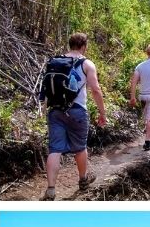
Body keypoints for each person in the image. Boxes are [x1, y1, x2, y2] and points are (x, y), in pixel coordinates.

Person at [39, 32, 107, 200]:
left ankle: (51, 189)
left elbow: (46, 89)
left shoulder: (54, 62)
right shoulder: (87, 64)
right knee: (80, 147)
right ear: (84, 46)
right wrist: (102, 113)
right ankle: (83, 180)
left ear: (70, 45)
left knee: (55, 149)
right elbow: (96, 90)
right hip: (77, 110)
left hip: (55, 111)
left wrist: (46, 108)